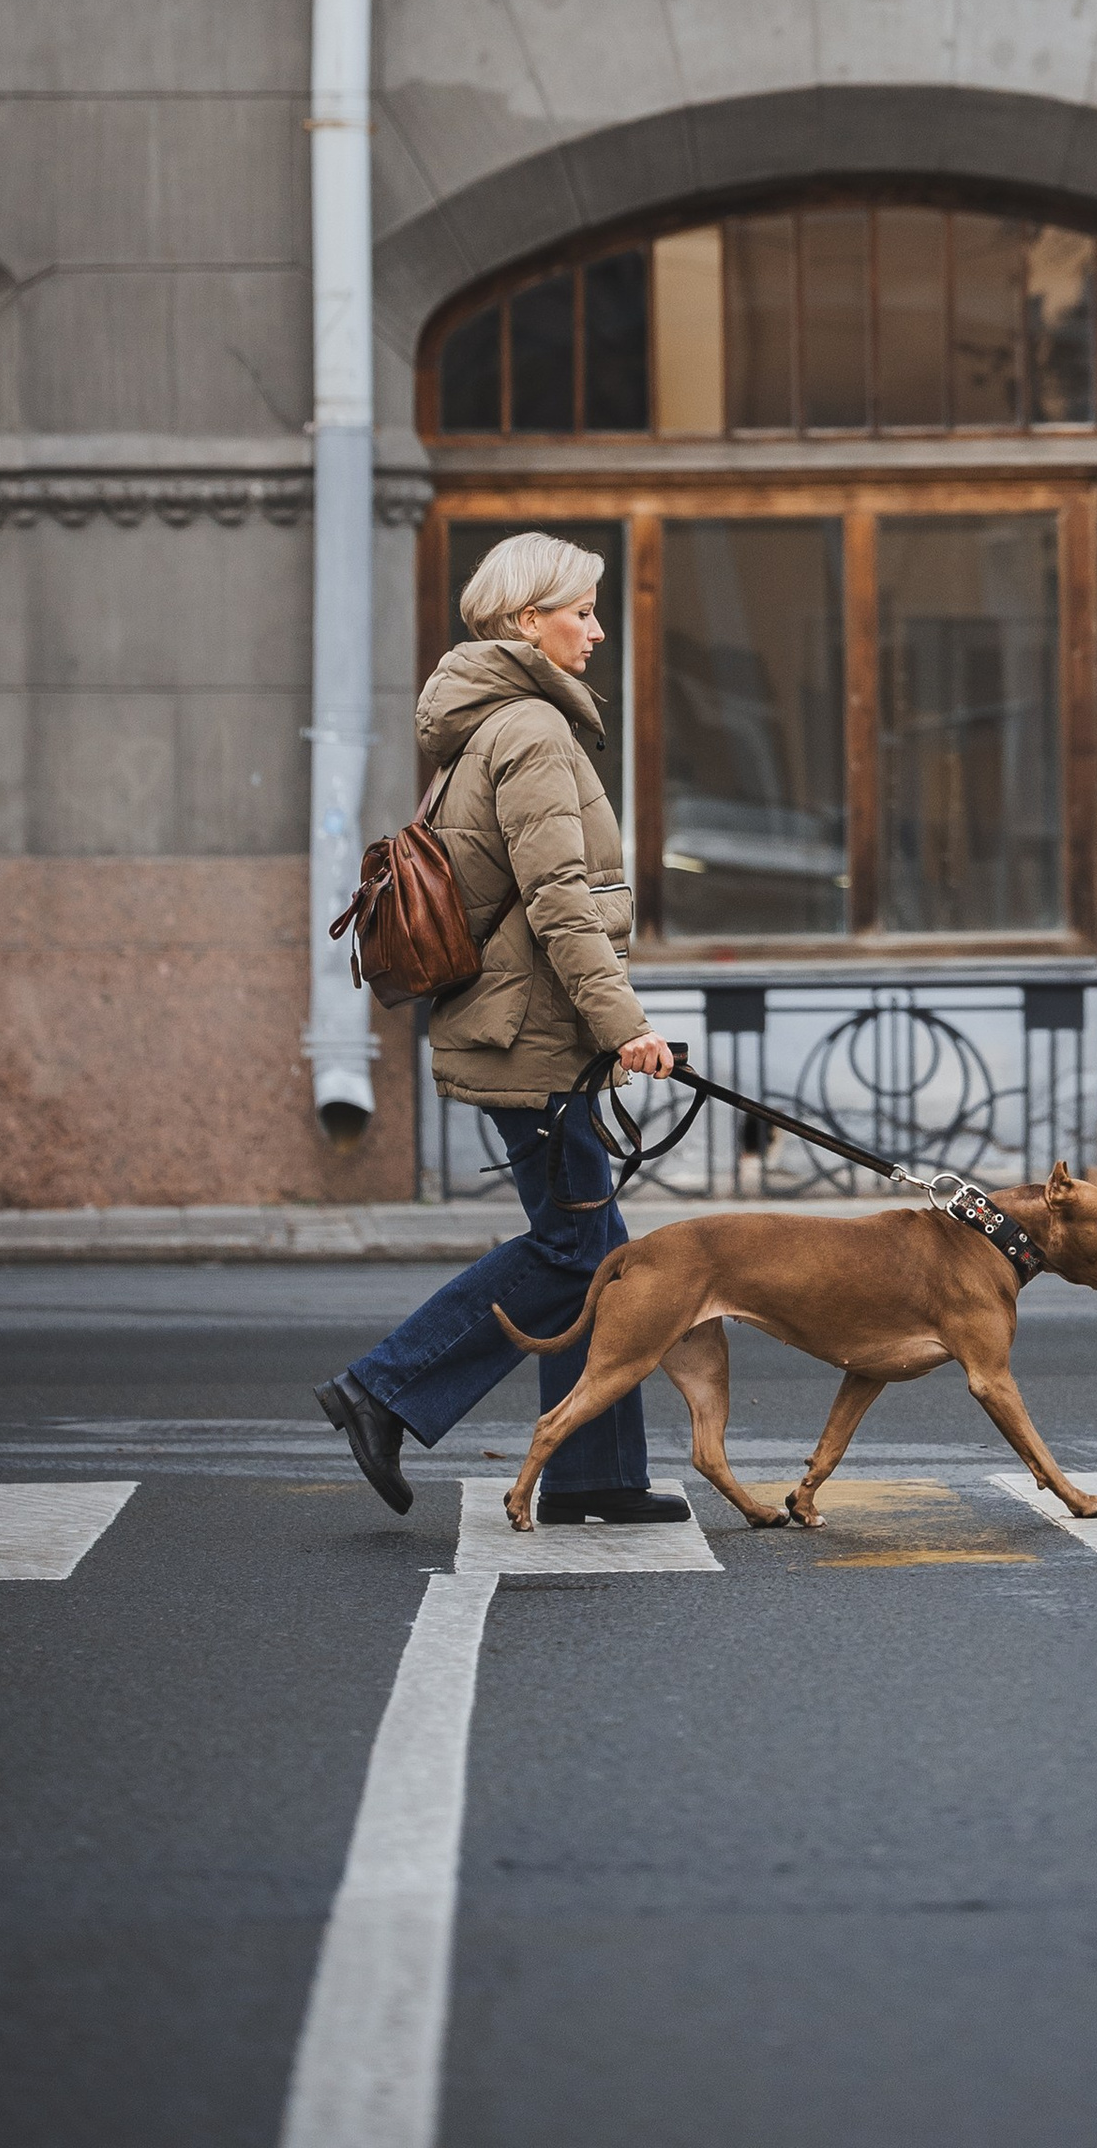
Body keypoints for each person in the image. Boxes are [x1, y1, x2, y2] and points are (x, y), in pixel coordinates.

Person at [315, 530, 689, 1525]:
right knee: (572, 1252)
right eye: (581, 612)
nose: (597, 631)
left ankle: (592, 1475)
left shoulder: (489, 725)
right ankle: (383, 1388)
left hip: (527, 1029)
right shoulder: (529, 729)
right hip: (536, 1039)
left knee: (595, 1258)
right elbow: (560, 898)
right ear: (528, 621)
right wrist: (625, 1026)